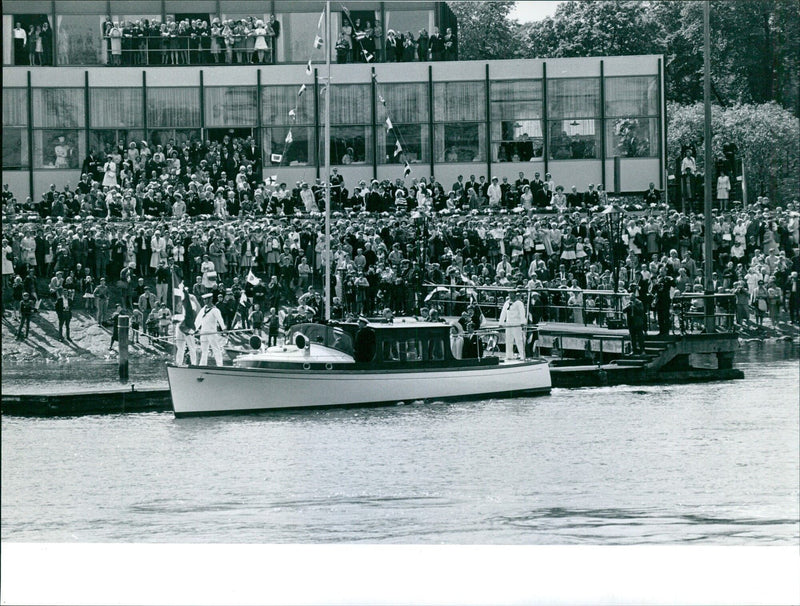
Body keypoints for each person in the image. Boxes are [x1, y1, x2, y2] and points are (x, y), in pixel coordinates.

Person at [195, 292, 226, 366]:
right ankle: (203, 365)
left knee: (216, 349)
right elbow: (198, 320)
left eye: (206, 299)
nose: (204, 301)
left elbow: (220, 320)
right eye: (204, 299)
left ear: (210, 300)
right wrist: (194, 329)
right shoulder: (203, 309)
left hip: (212, 333)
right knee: (204, 350)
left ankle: (219, 365)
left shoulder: (215, 310)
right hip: (203, 332)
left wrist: (224, 329)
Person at [498, 291, 526, 361]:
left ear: (515, 294)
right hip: (508, 324)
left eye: (512, 294)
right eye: (509, 294)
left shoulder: (519, 303)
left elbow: (522, 313)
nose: (510, 295)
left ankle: (522, 355)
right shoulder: (507, 303)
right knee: (508, 340)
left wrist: (523, 322)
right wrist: (501, 323)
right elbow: (503, 313)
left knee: (518, 340)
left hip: (516, 323)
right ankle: (509, 355)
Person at [175, 292, 198, 366]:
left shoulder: (191, 304)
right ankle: (178, 363)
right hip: (179, 327)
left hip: (187, 327)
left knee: (191, 347)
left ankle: (193, 364)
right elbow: (177, 316)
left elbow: (192, 315)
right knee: (180, 347)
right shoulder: (179, 304)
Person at [624, 285, 646, 354]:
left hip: (638, 322)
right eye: (630, 298)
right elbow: (623, 310)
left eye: (632, 297)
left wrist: (634, 306)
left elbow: (641, 311)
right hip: (631, 322)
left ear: (634, 297)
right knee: (632, 337)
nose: (630, 299)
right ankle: (634, 349)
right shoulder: (629, 303)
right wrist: (628, 306)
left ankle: (642, 349)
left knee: (640, 336)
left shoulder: (639, 303)